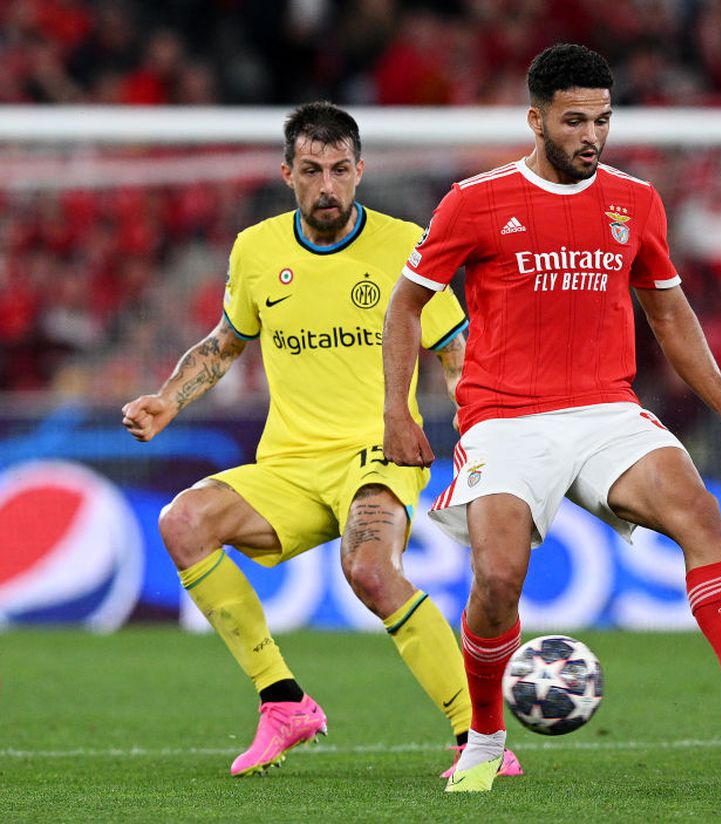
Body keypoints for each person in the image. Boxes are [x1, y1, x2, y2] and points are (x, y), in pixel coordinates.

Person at [381, 43, 721, 793]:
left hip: (605, 407)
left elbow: (669, 312)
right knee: (496, 579)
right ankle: (485, 740)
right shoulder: (476, 200)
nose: (591, 136)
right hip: (504, 418)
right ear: (536, 120)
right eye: (574, 121)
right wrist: (397, 411)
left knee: (699, 514)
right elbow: (407, 304)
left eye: (602, 120)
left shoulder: (635, 201)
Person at [121, 102, 522, 779]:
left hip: (378, 452)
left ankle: (476, 738)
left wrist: (485, 439)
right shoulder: (256, 249)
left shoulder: (405, 245)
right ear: (287, 174)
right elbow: (225, 345)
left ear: (360, 171)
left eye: (340, 169)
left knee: (368, 568)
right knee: (182, 522)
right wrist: (167, 399)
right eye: (312, 170)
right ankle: (283, 703)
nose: (327, 185)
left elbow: (456, 353)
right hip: (291, 463)